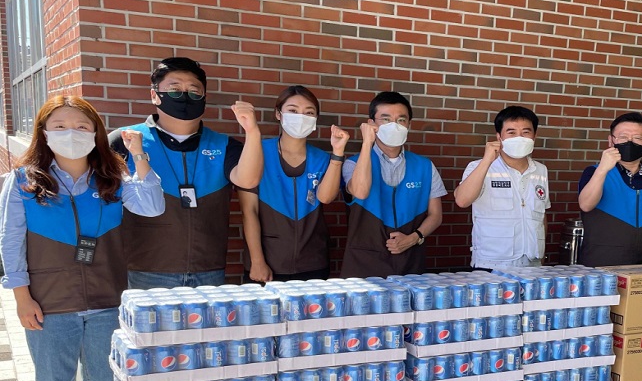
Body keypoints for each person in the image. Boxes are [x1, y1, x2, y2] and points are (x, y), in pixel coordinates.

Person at [0, 96, 164, 381]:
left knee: (105, 380)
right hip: (50, 300)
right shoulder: (23, 182)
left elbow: (152, 206)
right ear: (43, 132)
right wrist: (22, 297)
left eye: (81, 126)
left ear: (95, 133)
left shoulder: (112, 179)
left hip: (107, 298)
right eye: (59, 126)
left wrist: (139, 157)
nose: (70, 133)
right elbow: (10, 242)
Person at [109, 57, 263, 288]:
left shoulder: (224, 144)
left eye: (193, 90)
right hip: (145, 269)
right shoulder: (124, 140)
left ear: (204, 97)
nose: (184, 95)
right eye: (175, 89)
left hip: (208, 268)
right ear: (154, 95)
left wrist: (252, 131)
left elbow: (248, 180)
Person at [239, 85, 349, 282]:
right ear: (278, 114)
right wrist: (257, 261)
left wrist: (338, 154)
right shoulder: (257, 151)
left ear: (315, 119)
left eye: (309, 113)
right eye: (293, 110)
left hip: (313, 262)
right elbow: (249, 211)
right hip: (269, 263)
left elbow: (326, 198)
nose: (301, 117)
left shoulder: (322, 158)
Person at [340, 91, 446, 277]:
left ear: (409, 125)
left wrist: (415, 238)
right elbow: (360, 191)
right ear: (371, 124)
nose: (394, 126)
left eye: (401, 120)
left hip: (411, 264)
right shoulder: (353, 164)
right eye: (386, 119)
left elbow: (436, 215)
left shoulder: (425, 166)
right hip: (363, 266)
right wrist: (367, 143)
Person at [454, 106, 550, 270]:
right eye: (511, 132)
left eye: (526, 132)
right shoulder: (478, 167)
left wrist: (541, 257)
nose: (519, 138)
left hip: (531, 264)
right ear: (499, 136)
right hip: (490, 263)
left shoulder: (541, 170)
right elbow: (462, 200)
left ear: (534, 136)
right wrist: (487, 160)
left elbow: (541, 216)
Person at [577, 112, 642, 267]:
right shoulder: (594, 172)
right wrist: (602, 169)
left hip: (641, 266)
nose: (629, 142)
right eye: (623, 137)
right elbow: (586, 205)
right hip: (600, 266)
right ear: (611, 140)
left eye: (637, 138)